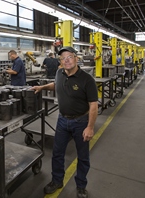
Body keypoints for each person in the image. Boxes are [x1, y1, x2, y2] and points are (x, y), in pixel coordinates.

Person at [31, 46, 98, 198]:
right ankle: (57, 181)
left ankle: (81, 186)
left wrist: (90, 127)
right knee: (57, 153)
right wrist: (42, 87)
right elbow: (56, 85)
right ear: (60, 62)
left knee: (83, 156)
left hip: (81, 122)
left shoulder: (87, 79)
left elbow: (93, 105)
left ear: (76, 58)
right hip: (62, 121)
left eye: (69, 56)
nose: (66, 60)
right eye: (63, 58)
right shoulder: (59, 73)